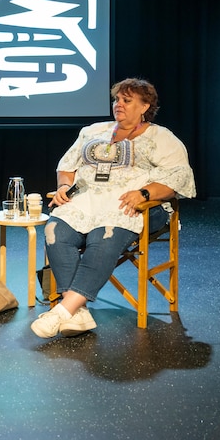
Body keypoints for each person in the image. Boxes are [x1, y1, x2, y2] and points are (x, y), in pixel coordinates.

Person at [32, 78, 196, 338]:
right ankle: (78, 311)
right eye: (116, 99)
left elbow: (178, 178)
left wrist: (145, 193)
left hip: (133, 205)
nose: (118, 104)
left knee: (103, 237)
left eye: (126, 100)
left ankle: (61, 313)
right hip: (87, 201)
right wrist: (64, 186)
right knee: (55, 231)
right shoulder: (93, 131)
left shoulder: (161, 137)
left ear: (145, 106)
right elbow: (67, 165)